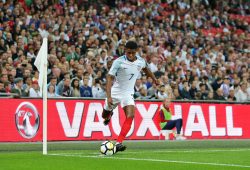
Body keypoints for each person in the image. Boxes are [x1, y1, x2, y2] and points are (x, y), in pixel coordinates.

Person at [102, 41, 159, 152]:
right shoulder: (118, 62)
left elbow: (146, 69)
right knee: (104, 115)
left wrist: (154, 79)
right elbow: (109, 78)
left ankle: (119, 142)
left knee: (131, 115)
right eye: (129, 53)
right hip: (115, 92)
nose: (131, 55)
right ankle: (108, 115)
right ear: (125, 50)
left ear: (136, 51)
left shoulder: (140, 61)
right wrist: (109, 97)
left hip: (128, 93)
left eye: (133, 53)